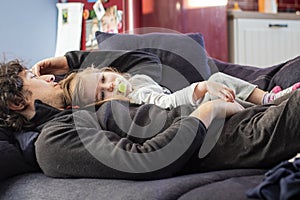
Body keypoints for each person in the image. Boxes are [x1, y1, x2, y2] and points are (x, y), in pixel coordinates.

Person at [1, 50, 300, 181]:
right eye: (32, 77)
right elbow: (144, 160)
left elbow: (146, 62)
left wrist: (71, 60)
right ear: (16, 102)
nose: (48, 78)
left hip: (229, 116)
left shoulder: (81, 102)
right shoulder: (53, 140)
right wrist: (207, 112)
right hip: (222, 135)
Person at [60, 66, 297, 109]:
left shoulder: (137, 80)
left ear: (108, 71)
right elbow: (167, 102)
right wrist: (202, 87)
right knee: (216, 80)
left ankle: (264, 99)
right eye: (103, 93)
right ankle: (267, 101)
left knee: (221, 85)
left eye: (103, 79)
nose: (110, 85)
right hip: (186, 114)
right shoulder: (136, 98)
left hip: (185, 106)